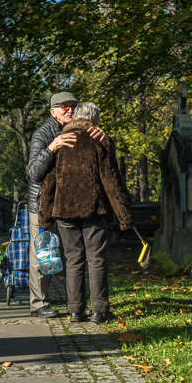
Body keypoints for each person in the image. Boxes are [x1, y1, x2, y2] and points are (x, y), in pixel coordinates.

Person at [38, 102, 134, 323]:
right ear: (95, 120)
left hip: (64, 210)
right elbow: (110, 180)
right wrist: (124, 216)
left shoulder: (62, 141)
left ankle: (75, 311)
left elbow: (49, 181)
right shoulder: (99, 141)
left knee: (73, 260)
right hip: (93, 208)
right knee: (97, 259)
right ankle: (99, 310)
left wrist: (45, 215)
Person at [27, 92, 108, 318]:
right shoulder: (42, 134)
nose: (70, 110)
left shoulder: (82, 130)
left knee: (74, 256)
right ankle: (39, 304)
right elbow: (33, 173)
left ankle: (80, 305)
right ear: (53, 111)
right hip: (41, 203)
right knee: (43, 254)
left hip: (68, 205)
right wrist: (52, 147)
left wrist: (102, 138)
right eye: (64, 107)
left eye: (73, 106)